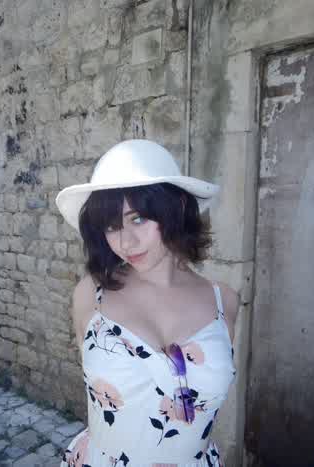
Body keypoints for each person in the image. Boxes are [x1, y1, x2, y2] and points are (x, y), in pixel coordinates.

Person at [55, 140, 239, 467]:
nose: (126, 242)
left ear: (176, 208)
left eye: (138, 219)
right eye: (112, 226)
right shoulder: (90, 295)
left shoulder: (224, 301)